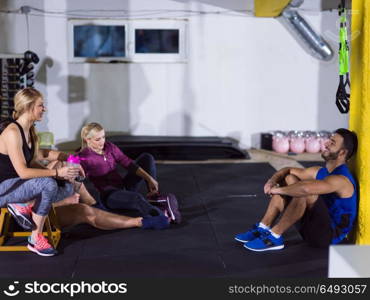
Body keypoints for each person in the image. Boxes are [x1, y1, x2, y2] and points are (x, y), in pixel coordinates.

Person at [235, 128, 358, 252]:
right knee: (288, 178)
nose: (326, 144)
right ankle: (263, 227)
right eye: (328, 140)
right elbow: (287, 170)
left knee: (304, 191)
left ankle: (275, 237)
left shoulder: (341, 179)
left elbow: (305, 189)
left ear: (342, 153)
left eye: (332, 143)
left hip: (328, 237)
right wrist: (272, 182)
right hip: (311, 230)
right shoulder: (319, 171)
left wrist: (278, 190)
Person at [0, 88, 80, 256]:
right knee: (49, 182)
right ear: (29, 107)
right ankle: (35, 239)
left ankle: (24, 204)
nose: (44, 109)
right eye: (40, 105)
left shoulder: (30, 130)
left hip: (19, 185)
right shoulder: (13, 132)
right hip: (4, 188)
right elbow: (23, 172)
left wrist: (66, 170)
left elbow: (35, 159)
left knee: (67, 186)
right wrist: (56, 173)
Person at [78, 122, 180, 223]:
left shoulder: (109, 147)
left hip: (123, 187)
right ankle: (161, 217)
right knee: (137, 198)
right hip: (109, 197)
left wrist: (149, 178)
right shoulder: (82, 157)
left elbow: (127, 163)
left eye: (103, 137)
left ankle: (153, 197)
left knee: (147, 158)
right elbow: (74, 173)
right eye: (98, 139)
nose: (102, 142)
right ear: (87, 140)